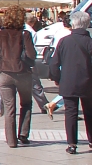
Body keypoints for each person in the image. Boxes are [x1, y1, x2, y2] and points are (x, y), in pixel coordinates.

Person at [0, 5, 36, 148]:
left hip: (4, 74)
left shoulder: (0, 35)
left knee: (9, 108)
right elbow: (32, 55)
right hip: (23, 74)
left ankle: (11, 141)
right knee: (26, 104)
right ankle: (23, 133)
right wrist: (26, 63)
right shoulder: (25, 34)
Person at [49, 10, 92, 154]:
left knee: (71, 112)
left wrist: (57, 78)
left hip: (68, 81)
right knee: (89, 112)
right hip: (88, 82)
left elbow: (54, 63)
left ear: (73, 24)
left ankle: (72, 144)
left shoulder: (64, 41)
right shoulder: (90, 42)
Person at [25, 14, 50, 113]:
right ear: (33, 22)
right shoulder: (31, 32)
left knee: (11, 86)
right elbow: (32, 48)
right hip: (28, 61)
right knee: (35, 85)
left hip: (13, 63)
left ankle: (1, 106)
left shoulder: (17, 29)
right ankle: (44, 105)